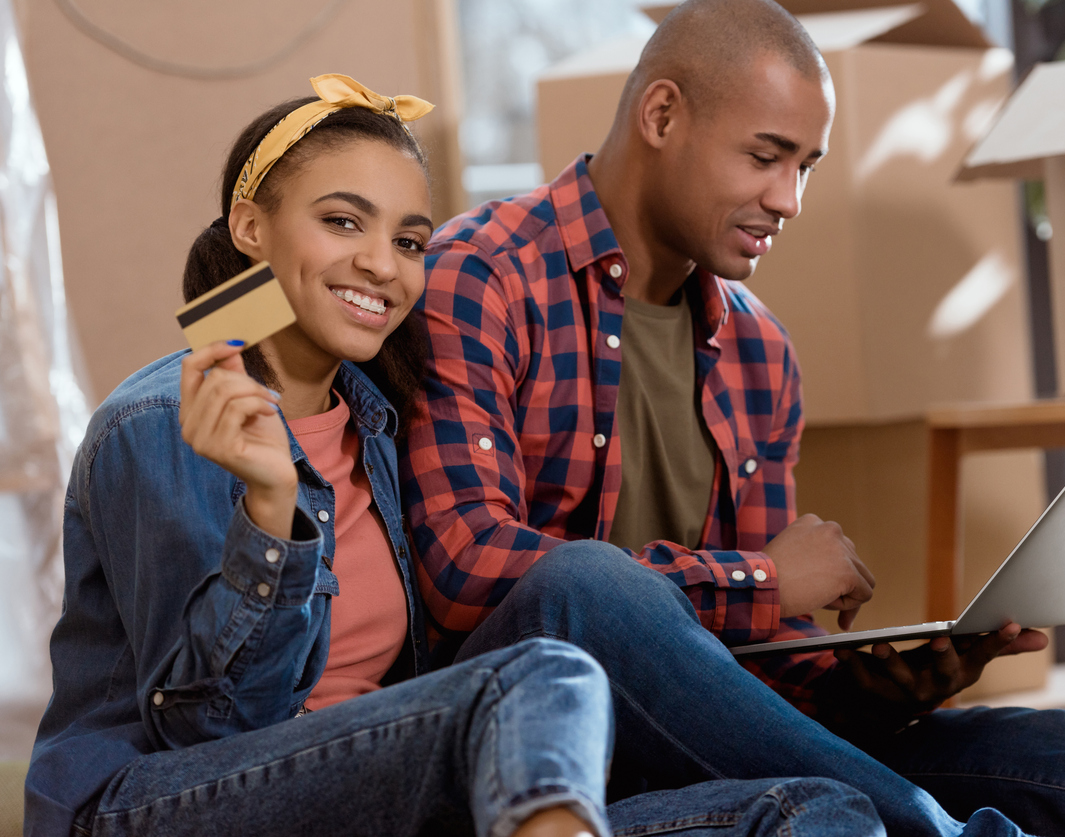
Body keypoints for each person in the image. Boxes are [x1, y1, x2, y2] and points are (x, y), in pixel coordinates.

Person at [402, 1, 1065, 834]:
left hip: (717, 735)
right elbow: (469, 569)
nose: (791, 199)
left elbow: (772, 665)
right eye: (766, 157)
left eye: (805, 165)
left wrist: (876, 683)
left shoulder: (759, 347)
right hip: (540, 746)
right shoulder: (481, 277)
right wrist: (763, 580)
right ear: (662, 113)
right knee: (583, 583)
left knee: (1039, 746)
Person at [24, 73, 886, 837]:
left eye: (408, 240)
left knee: (810, 810)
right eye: (341, 222)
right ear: (250, 227)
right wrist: (271, 509)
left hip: (376, 789)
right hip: (161, 802)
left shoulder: (376, 419)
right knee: (540, 676)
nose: (381, 264)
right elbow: (212, 728)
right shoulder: (158, 424)